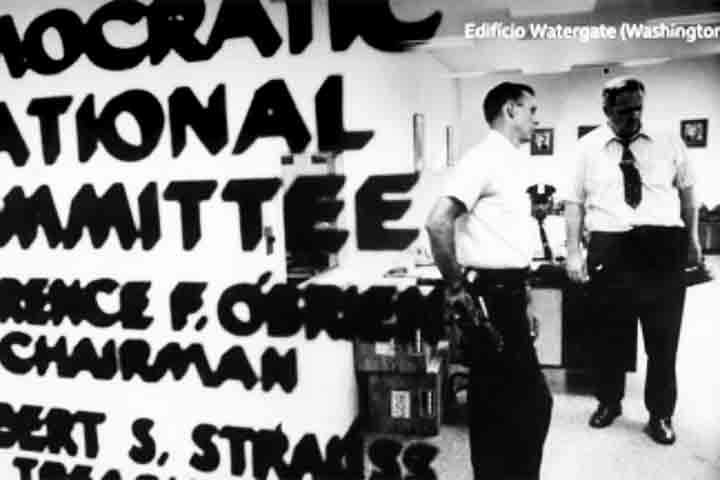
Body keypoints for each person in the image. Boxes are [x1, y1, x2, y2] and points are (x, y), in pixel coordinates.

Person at [564, 76, 702, 445]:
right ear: (606, 110)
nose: (634, 116)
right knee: (608, 336)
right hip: (610, 249)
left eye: (638, 108)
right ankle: (609, 402)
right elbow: (574, 204)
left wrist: (692, 240)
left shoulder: (668, 140)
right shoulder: (587, 148)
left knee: (663, 340)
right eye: (624, 110)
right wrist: (573, 251)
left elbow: (688, 196)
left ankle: (661, 414)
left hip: (662, 248)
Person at [426, 82, 553, 479]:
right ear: (510, 110)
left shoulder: (512, 162)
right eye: (532, 109)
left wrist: (526, 299)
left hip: (510, 293)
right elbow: (437, 223)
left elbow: (511, 243)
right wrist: (457, 288)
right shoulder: (481, 159)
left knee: (506, 402)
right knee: (523, 405)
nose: (537, 118)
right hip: (489, 299)